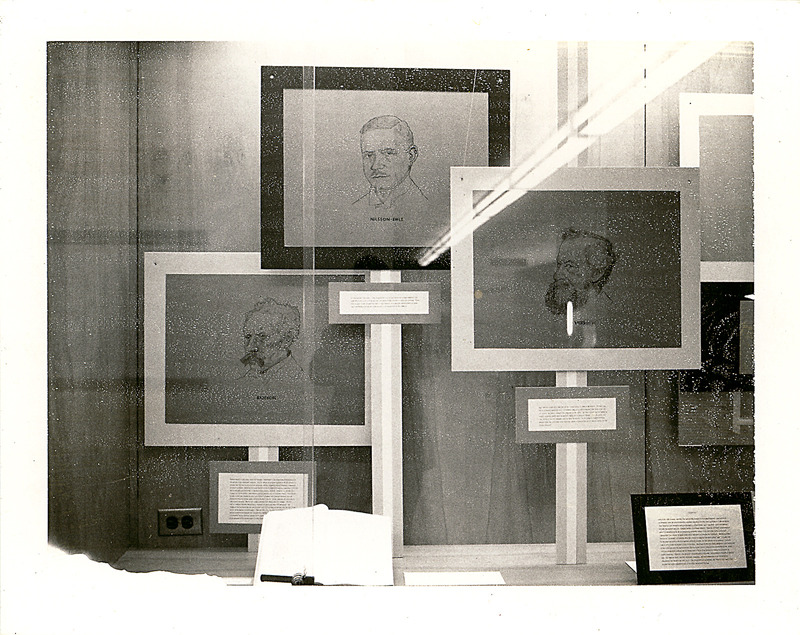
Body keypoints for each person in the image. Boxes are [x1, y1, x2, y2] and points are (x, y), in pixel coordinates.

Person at [544, 228, 617, 346]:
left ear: (597, 273)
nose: (557, 275)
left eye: (570, 266)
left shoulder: (612, 319)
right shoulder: (557, 319)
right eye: (559, 265)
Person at [352, 115, 428, 211]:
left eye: (388, 153)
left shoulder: (428, 207)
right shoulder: (353, 209)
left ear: (411, 156)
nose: (375, 165)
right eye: (369, 155)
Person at [239, 297, 304, 380]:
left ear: (287, 340)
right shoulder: (245, 380)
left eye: (262, 336)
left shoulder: (296, 378)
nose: (250, 347)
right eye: (248, 337)